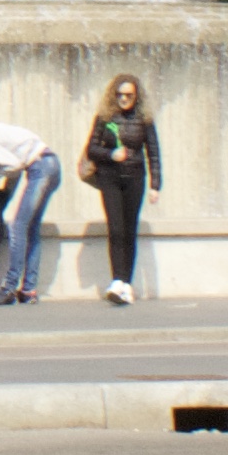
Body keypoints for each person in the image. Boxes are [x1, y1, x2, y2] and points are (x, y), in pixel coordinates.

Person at [79, 77, 161, 307]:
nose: (124, 99)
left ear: (137, 97)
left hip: (135, 177)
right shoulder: (104, 118)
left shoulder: (145, 120)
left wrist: (156, 185)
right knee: (115, 228)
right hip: (110, 178)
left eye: (129, 95)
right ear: (113, 95)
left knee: (129, 230)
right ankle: (117, 280)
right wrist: (111, 155)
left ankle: (126, 284)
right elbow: (91, 149)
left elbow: (153, 152)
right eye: (120, 95)